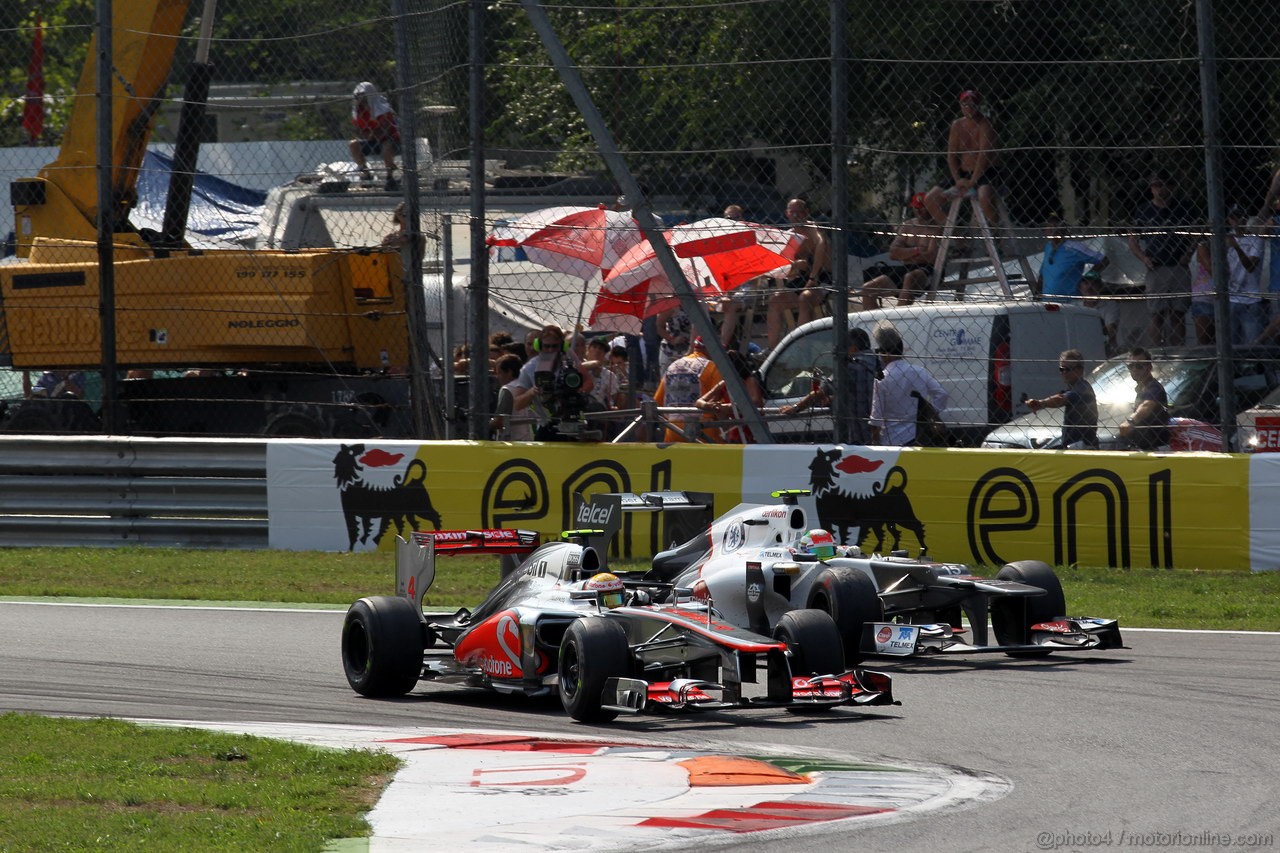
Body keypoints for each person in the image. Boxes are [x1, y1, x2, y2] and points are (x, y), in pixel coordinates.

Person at [1128, 170, 1195, 347]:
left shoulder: (1184, 208)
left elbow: (1197, 234)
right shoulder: (1143, 210)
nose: (1161, 190)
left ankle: (1178, 352)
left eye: (1165, 185)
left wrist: (1188, 253)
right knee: (1157, 314)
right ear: (1151, 189)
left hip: (1178, 265)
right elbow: (1133, 240)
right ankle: (1157, 353)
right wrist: (1144, 258)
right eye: (1157, 186)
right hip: (1156, 266)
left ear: (1172, 187)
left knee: (1177, 313)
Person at [779, 326, 877, 444]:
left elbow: (821, 392)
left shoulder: (849, 367)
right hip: (878, 432)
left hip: (858, 433)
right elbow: (864, 392)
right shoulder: (879, 362)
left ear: (853, 348)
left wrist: (795, 408)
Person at [924, 90, 999, 227]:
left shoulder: (984, 124)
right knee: (930, 199)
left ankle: (996, 231)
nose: (969, 107)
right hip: (963, 173)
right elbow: (951, 156)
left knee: (984, 196)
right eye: (966, 104)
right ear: (960, 105)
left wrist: (972, 181)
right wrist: (958, 179)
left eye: (973, 104)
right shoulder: (957, 125)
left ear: (978, 106)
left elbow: (984, 155)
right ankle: (959, 239)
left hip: (984, 172)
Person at [868, 322, 948, 447]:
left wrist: (875, 440)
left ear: (885, 354)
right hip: (920, 436)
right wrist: (929, 413)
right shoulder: (919, 371)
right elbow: (941, 394)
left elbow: (876, 416)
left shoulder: (882, 379)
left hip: (892, 440)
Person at [766, 198, 830, 349]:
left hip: (823, 278)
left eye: (799, 212)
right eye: (792, 212)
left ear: (806, 213)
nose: (795, 216)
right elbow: (784, 268)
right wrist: (795, 265)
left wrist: (813, 277)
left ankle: (802, 348)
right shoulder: (789, 236)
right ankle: (771, 350)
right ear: (786, 214)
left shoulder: (814, 230)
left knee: (805, 298)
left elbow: (822, 244)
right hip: (800, 281)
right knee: (775, 301)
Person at [511, 324, 594, 441]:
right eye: (546, 346)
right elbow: (517, 403)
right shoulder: (529, 368)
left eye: (554, 346)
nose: (550, 350)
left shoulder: (569, 360)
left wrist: (577, 394)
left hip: (573, 422)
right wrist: (532, 392)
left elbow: (589, 382)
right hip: (548, 426)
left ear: (561, 347)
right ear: (539, 346)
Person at [861, 193, 940, 309]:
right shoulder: (907, 226)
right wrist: (917, 250)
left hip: (927, 269)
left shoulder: (936, 228)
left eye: (922, 208)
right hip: (904, 267)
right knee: (868, 288)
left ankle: (898, 318)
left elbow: (930, 257)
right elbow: (893, 253)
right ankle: (876, 324)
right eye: (916, 208)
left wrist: (904, 254)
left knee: (910, 277)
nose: (919, 211)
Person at [652, 336, 722, 442]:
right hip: (704, 433)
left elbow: (657, 401)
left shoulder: (673, 366)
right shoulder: (713, 367)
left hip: (673, 431)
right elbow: (719, 404)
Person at [1025, 349, 1099, 449]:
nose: (1064, 372)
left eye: (1068, 369)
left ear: (1079, 370)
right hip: (1074, 447)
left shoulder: (1082, 389)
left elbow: (1061, 399)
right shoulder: (1072, 388)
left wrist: (1041, 403)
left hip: (1083, 448)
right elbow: (1060, 397)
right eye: (1061, 369)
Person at [694, 349, 765, 443]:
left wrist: (728, 407)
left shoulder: (749, 380)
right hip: (734, 431)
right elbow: (699, 401)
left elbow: (756, 402)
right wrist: (708, 405)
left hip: (754, 430)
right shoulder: (724, 384)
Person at [1038, 212, 1109, 300]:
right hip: (1047, 303)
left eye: (1055, 225)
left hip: (1070, 303)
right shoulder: (1048, 247)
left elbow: (1104, 260)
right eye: (1048, 226)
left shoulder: (1074, 247)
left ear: (1063, 227)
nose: (1052, 229)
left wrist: (1087, 278)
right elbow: (1042, 273)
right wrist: (1037, 295)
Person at [348, 82, 401, 191]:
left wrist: (371, 133)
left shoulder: (383, 109)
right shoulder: (360, 112)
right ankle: (366, 173)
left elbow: (385, 130)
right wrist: (370, 134)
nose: (360, 99)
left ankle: (390, 175)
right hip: (373, 141)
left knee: (386, 145)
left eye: (363, 95)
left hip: (392, 141)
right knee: (353, 144)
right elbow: (359, 131)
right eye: (358, 96)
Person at [1225, 204, 1264, 345]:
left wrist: (1237, 247)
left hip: (1250, 299)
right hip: (1230, 298)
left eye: (1241, 216)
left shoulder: (1255, 240)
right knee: (1230, 343)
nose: (1238, 220)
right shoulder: (1225, 240)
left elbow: (1251, 267)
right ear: (1229, 220)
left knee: (1251, 343)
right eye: (1234, 217)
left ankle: (1252, 366)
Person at [1118, 346, 1171, 451]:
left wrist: (1130, 422)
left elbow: (1147, 405)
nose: (1134, 369)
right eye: (1130, 365)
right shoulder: (1141, 389)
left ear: (1149, 367)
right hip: (1144, 447)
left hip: (1157, 450)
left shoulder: (1154, 387)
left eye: (1139, 366)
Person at [489, 353, 533, 441]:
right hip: (530, 439)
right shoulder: (528, 387)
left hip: (512, 441)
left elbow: (499, 421)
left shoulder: (508, 389)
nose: (497, 377)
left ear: (509, 372)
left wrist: (486, 424)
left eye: (499, 373)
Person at [1189, 237, 1215, 346]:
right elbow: (1211, 269)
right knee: (1204, 338)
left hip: (1222, 297)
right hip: (1204, 297)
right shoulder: (1202, 246)